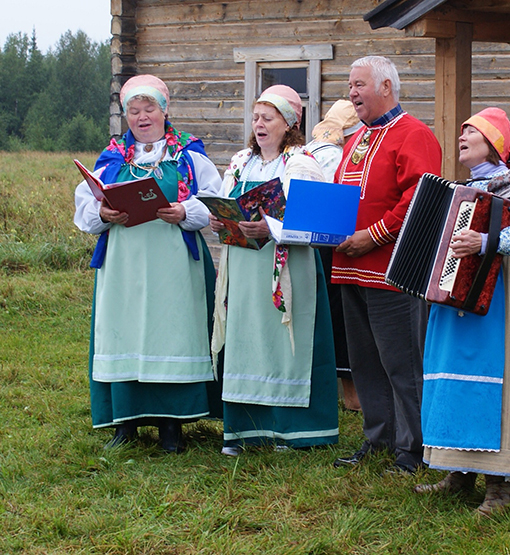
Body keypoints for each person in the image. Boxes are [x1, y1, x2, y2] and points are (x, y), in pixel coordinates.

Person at [413, 107, 510, 515]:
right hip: (456, 300)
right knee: (456, 381)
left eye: (472, 133)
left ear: (494, 143)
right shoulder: (459, 189)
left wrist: (483, 242)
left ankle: (501, 490)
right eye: (461, 133)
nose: (462, 137)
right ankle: (457, 473)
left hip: (498, 298)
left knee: (498, 382)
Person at [74, 74, 220, 452]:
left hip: (173, 264)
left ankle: (172, 425)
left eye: (149, 108)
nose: (141, 117)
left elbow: (214, 203)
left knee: (171, 332)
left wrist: (183, 209)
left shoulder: (189, 155)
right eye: (133, 111)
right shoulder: (110, 159)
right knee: (124, 331)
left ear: (164, 110)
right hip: (124, 265)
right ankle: (126, 425)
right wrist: (104, 213)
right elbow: (87, 210)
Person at [209, 85, 339, 455]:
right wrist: (222, 219)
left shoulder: (302, 163)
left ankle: (290, 431)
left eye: (268, 117)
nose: (259, 124)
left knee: (284, 346)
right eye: (255, 117)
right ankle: (245, 429)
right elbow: (223, 201)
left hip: (286, 268)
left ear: (289, 123)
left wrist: (271, 227)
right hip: (246, 266)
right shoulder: (240, 163)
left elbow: (316, 222)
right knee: (247, 340)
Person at [331, 56, 442, 474]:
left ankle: (414, 450)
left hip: (391, 268)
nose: (352, 92)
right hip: (348, 265)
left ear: (386, 88)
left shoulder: (414, 134)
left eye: (359, 84)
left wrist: (373, 235)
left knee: (402, 362)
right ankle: (379, 440)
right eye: (349, 84)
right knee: (364, 362)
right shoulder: (356, 138)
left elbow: (419, 196)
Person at [304, 99, 364, 413]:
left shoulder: (308, 151)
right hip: (344, 244)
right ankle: (353, 397)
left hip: (310, 245)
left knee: (323, 316)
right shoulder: (344, 155)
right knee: (343, 319)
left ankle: (325, 390)